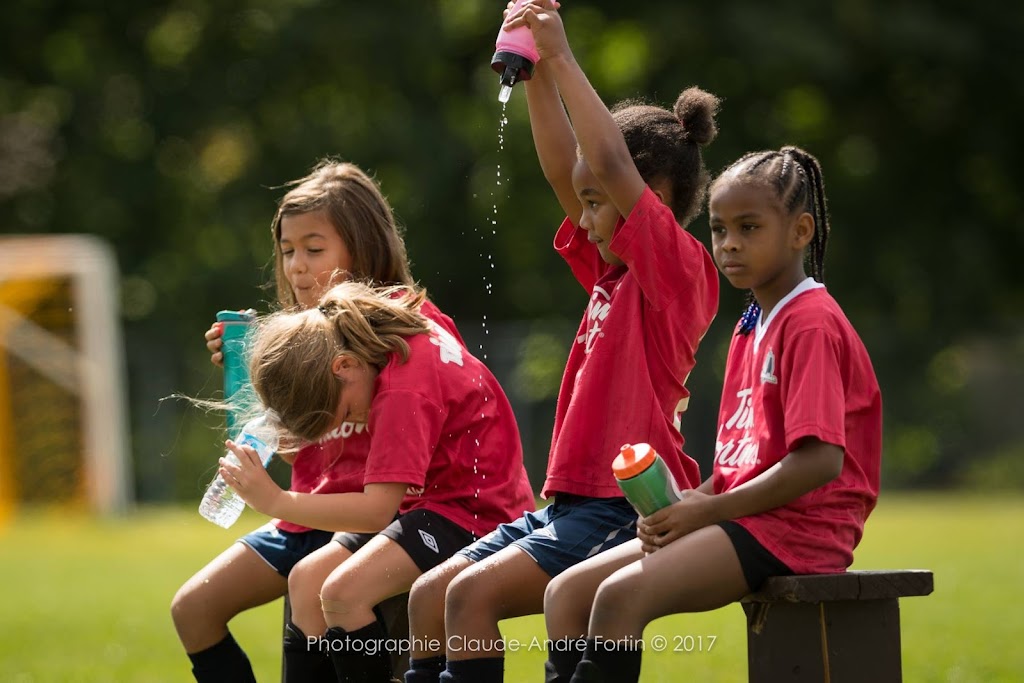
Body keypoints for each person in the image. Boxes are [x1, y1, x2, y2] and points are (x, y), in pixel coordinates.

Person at [403, 3, 721, 682]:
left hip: (626, 505)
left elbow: (604, 158)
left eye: (599, 201)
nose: (584, 215)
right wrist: (537, 70)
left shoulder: (676, 270)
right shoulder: (611, 271)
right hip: (571, 502)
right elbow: (566, 168)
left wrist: (565, 54)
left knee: (472, 593)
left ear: (652, 199)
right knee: (431, 595)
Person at [543, 145, 883, 682]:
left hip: (800, 529)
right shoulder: (751, 325)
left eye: (750, 228)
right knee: (566, 591)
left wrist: (703, 513)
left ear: (801, 231)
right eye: (720, 229)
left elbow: (820, 462)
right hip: (747, 517)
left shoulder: (811, 322)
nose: (730, 244)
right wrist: (678, 508)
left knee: (617, 597)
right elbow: (735, 471)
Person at [171, 160, 467, 682]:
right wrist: (249, 379)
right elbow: (292, 447)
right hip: (310, 513)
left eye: (314, 248)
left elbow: (414, 452)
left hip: (377, 519)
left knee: (317, 590)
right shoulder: (302, 338)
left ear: (364, 246)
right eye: (287, 251)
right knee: (193, 609)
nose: (296, 268)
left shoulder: (406, 331)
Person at [220, 281, 535, 683]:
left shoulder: (403, 390)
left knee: (342, 594)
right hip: (431, 504)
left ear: (344, 367)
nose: (358, 419)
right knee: (306, 579)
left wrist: (276, 501)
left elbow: (374, 511)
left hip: (477, 511)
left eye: (347, 409)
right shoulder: (363, 323)